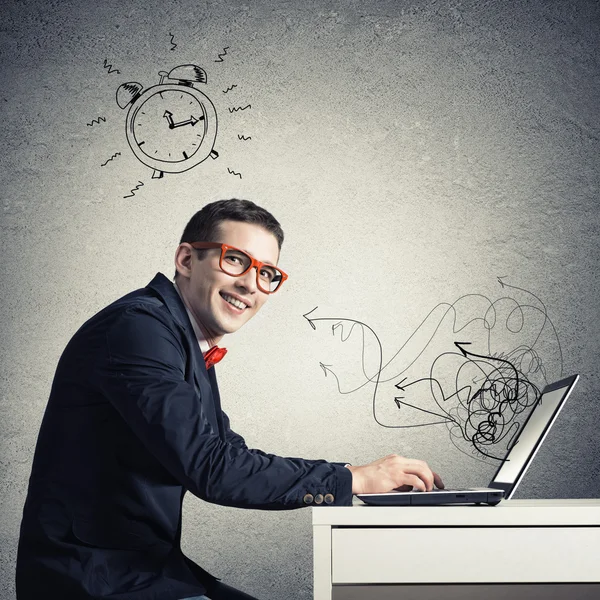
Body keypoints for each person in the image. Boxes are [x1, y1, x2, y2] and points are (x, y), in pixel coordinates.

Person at [16, 199, 443, 600]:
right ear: (186, 260)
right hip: (91, 579)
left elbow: (226, 452)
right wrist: (351, 480)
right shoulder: (139, 329)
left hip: (144, 570)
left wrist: (352, 474)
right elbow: (211, 468)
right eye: (235, 259)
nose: (250, 284)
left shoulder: (181, 337)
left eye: (267, 273)